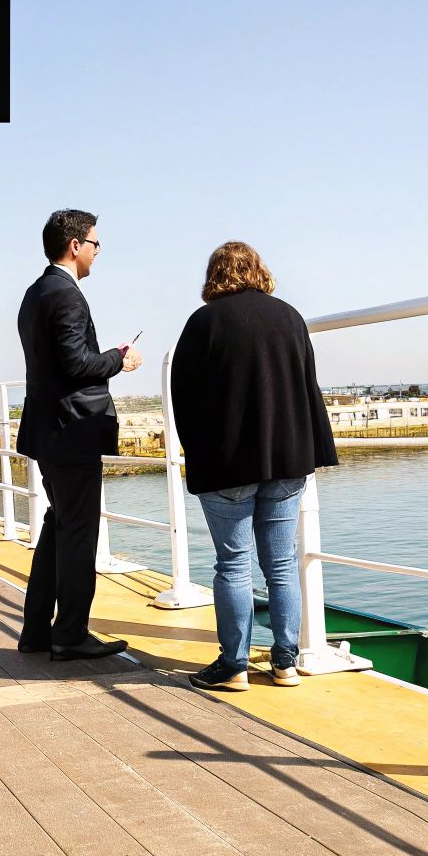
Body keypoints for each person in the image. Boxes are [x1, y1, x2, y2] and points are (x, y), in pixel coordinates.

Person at [170, 241, 337, 691]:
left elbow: (182, 398)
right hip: (286, 459)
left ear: (215, 275)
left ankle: (235, 665)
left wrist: (197, 452)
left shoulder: (202, 323)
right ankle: (285, 662)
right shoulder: (289, 317)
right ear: (258, 270)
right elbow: (308, 387)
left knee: (233, 564)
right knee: (281, 564)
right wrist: (317, 448)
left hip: (226, 464)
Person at [14, 209, 142, 660]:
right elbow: (74, 364)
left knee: (58, 524)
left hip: (48, 431)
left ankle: (36, 631)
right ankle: (69, 634)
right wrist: (117, 359)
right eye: (95, 243)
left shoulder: (35, 293)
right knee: (78, 532)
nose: (96, 251)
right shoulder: (67, 295)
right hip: (72, 432)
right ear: (75, 246)